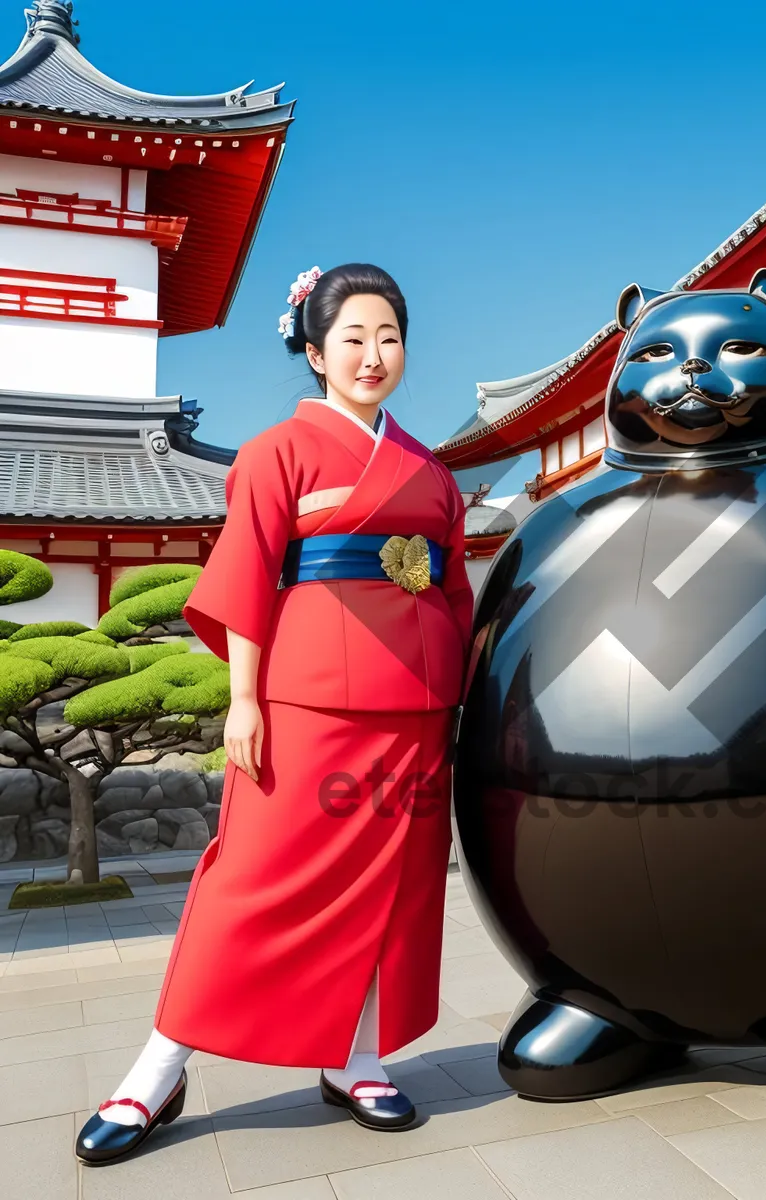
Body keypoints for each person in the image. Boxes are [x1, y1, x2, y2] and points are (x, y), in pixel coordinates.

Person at [75, 264, 474, 1165]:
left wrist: (461, 695)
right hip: (306, 701)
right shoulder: (274, 456)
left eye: (390, 338)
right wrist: (243, 702)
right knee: (250, 881)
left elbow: (450, 591)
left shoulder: (432, 473)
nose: (374, 356)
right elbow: (247, 581)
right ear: (314, 348)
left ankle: (359, 1057)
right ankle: (159, 1068)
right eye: (354, 339)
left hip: (416, 705)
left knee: (398, 887)